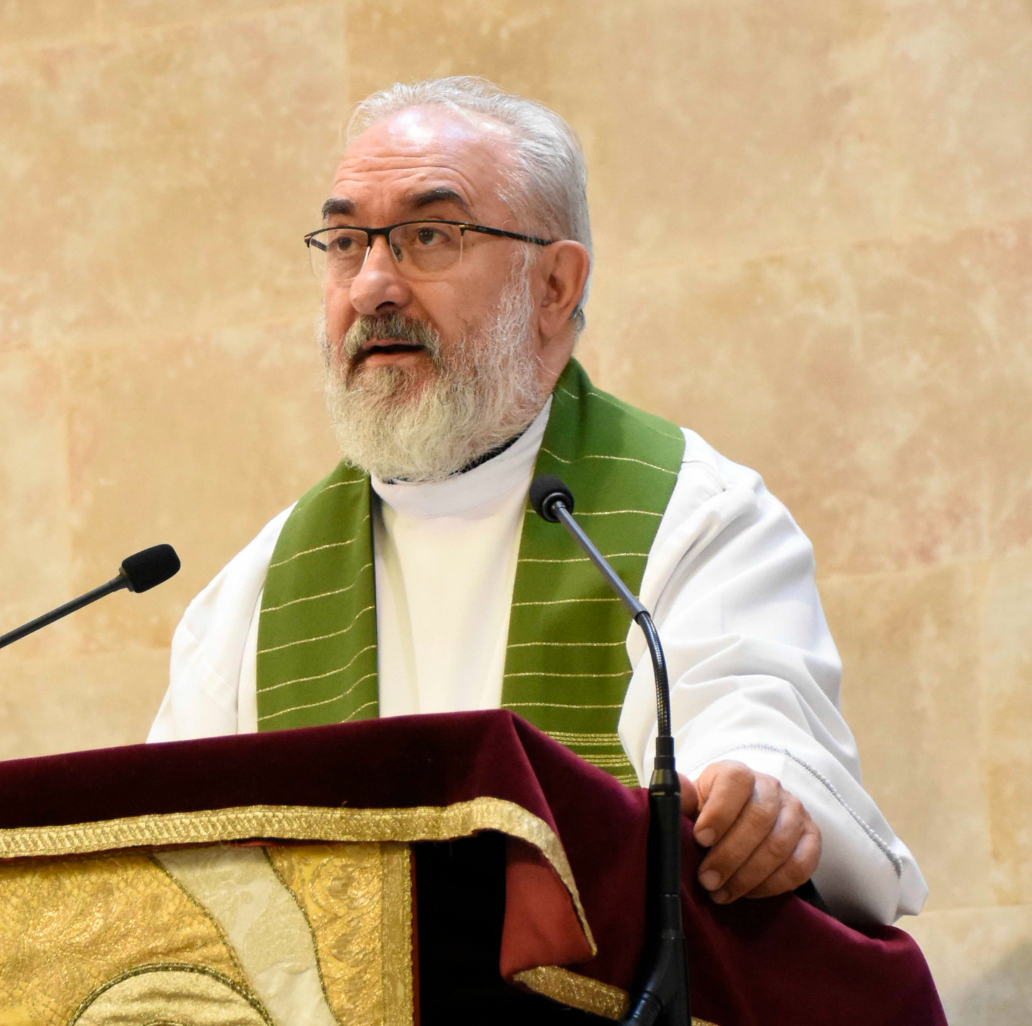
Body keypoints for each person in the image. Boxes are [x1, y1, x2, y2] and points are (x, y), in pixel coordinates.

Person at [148, 76, 926, 927]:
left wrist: (755, 798)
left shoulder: (688, 518)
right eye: (344, 242)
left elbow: (751, 725)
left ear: (554, 286)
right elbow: (168, 883)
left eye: (428, 235)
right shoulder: (259, 594)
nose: (372, 285)